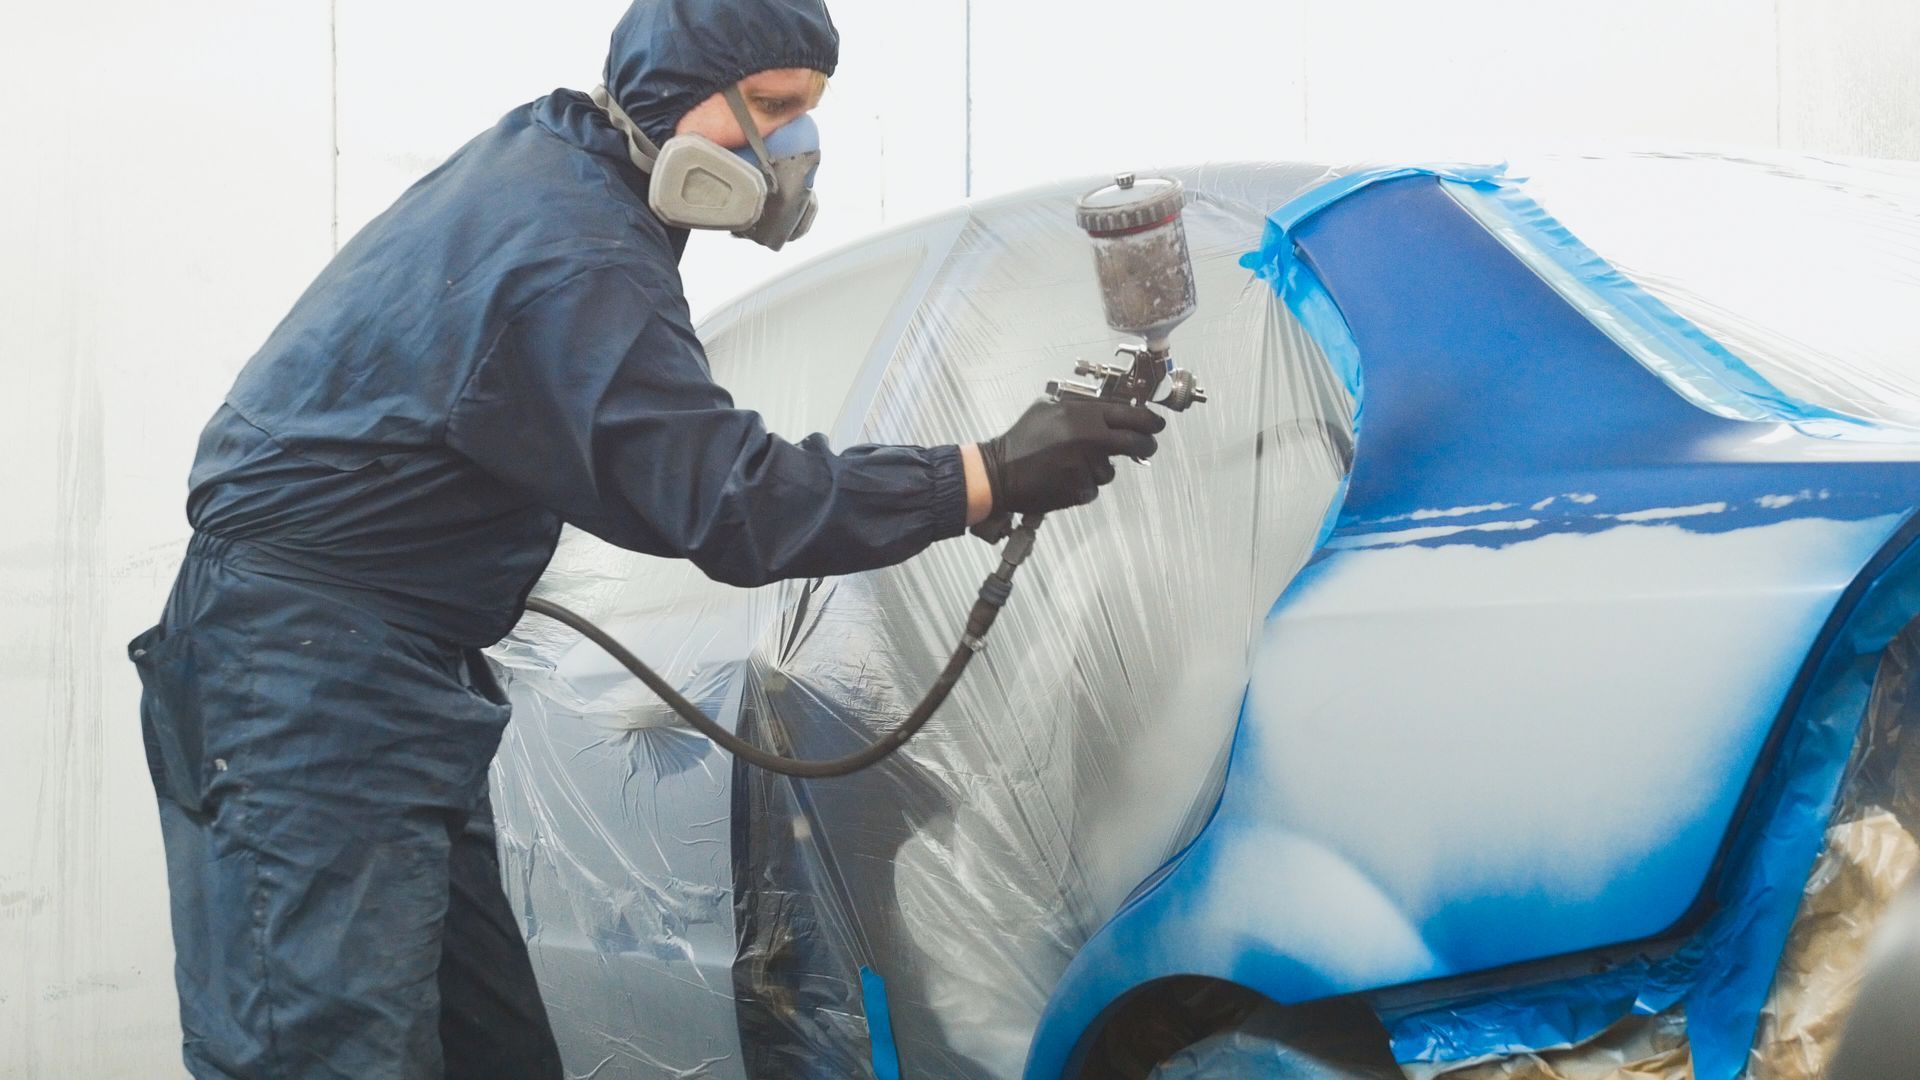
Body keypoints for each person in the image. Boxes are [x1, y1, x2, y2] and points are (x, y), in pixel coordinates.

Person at [128, 0, 1163, 1076]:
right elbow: (729, 502)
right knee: (327, 1053)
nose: (793, 147)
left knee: (486, 1051)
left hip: (368, 669)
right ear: (673, 93)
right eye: (769, 108)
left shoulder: (563, 168)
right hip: (310, 678)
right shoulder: (570, 248)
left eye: (807, 113)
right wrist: (982, 476)